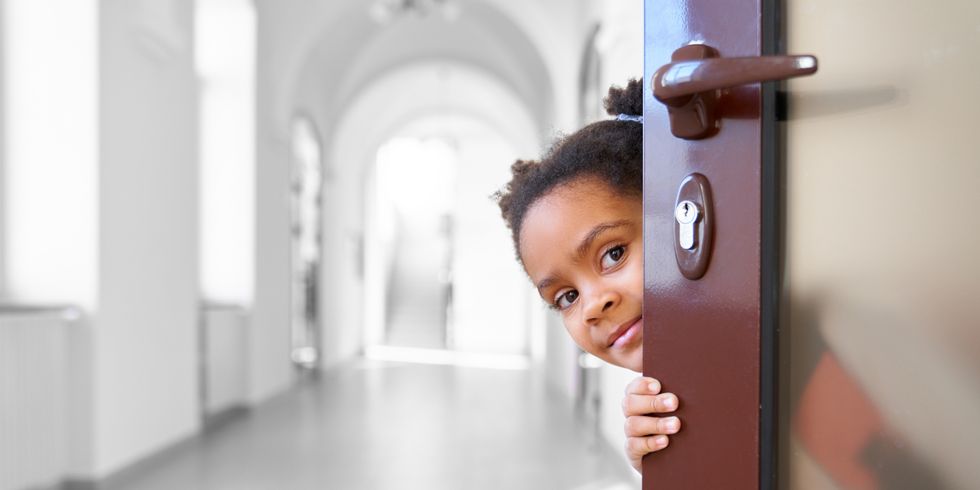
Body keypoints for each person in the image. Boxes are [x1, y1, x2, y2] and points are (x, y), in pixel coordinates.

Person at [495, 79, 680, 473]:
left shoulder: (769, 341)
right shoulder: (658, 399)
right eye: (567, 297)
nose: (594, 306)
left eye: (613, 254)